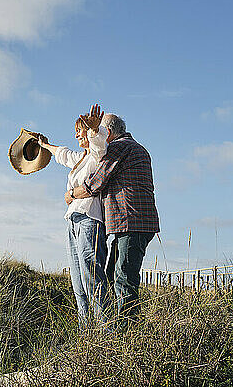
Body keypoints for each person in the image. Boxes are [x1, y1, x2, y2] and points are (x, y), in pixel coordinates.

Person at [66, 105, 160, 322]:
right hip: (134, 222)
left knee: (123, 280)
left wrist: (71, 194)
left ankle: (127, 334)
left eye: (98, 131)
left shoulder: (119, 147)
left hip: (130, 221)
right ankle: (119, 330)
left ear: (107, 133)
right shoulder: (136, 147)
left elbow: (94, 183)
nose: (94, 136)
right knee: (114, 276)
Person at [38, 106, 111, 328]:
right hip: (73, 220)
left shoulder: (99, 155)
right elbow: (63, 154)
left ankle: (104, 331)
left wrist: (94, 129)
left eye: (79, 131)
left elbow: (99, 143)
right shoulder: (82, 158)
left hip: (90, 220)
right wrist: (44, 145)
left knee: (91, 275)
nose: (76, 135)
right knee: (78, 281)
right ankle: (85, 332)